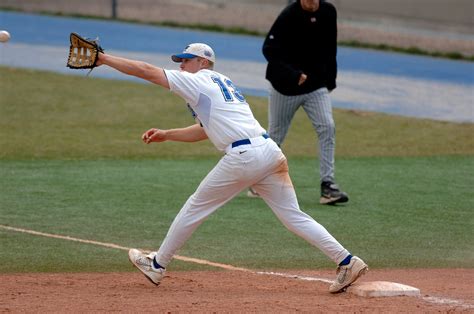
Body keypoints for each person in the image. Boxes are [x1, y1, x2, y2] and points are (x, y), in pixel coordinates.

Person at [96, 42, 367, 293]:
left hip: (245, 156)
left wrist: (105, 59)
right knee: (294, 217)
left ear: (202, 62)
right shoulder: (222, 82)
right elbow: (205, 130)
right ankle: (347, 261)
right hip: (269, 153)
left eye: (185, 60)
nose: (181, 65)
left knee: (195, 207)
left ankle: (156, 265)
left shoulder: (198, 80)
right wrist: (168, 134)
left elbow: (146, 71)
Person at [251, 0, 348, 205]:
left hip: (316, 86)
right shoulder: (289, 15)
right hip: (284, 87)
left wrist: (331, 79)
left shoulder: (329, 11)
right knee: (276, 135)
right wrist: (293, 74)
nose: (311, 3)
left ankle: (328, 186)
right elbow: (268, 49)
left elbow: (331, 46)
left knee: (327, 127)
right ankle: (259, 179)